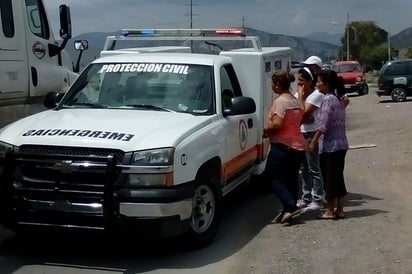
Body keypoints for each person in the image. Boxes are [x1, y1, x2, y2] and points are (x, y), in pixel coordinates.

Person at [263, 70, 306, 224]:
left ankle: (290, 205)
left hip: (283, 145)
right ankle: (289, 210)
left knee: (271, 178)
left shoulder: (280, 102)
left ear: (278, 84)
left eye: (273, 84)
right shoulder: (296, 101)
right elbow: (299, 120)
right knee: (291, 178)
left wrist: (265, 131)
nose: (273, 87)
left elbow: (277, 124)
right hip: (298, 145)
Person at [308, 69, 349, 219]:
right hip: (341, 144)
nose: (317, 84)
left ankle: (330, 210)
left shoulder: (327, 100)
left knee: (329, 179)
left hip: (330, 146)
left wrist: (313, 142)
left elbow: (323, 125)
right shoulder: (338, 98)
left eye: (319, 81)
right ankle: (340, 209)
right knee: (338, 177)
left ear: (326, 84)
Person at [296, 67, 325, 211]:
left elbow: (303, 114)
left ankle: (318, 198)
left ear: (309, 81)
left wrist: (301, 98)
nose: (299, 83)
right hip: (300, 132)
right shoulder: (298, 94)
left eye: (301, 80)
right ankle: (306, 197)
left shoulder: (316, 95)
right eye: (298, 80)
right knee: (303, 168)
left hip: (311, 133)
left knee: (314, 167)